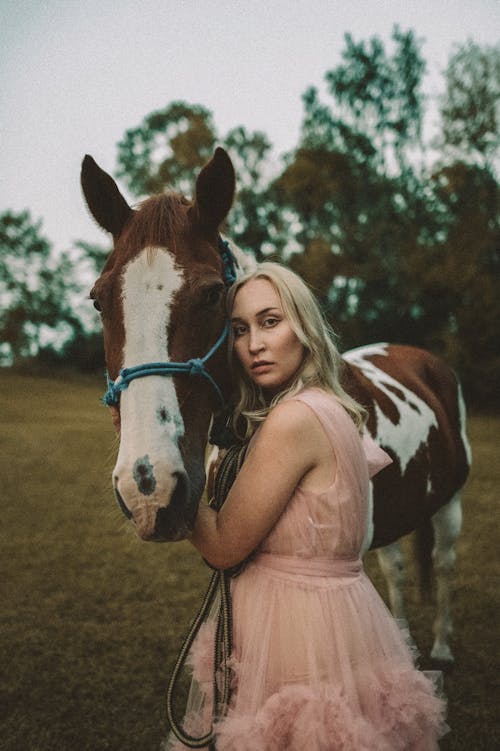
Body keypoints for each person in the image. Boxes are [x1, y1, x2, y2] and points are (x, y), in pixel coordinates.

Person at [164, 262, 447, 750]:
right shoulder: (328, 407)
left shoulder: (292, 421)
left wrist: (171, 481)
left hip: (295, 628)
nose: (253, 344)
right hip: (338, 615)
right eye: (239, 330)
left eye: (271, 322)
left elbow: (225, 546)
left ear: (306, 328)